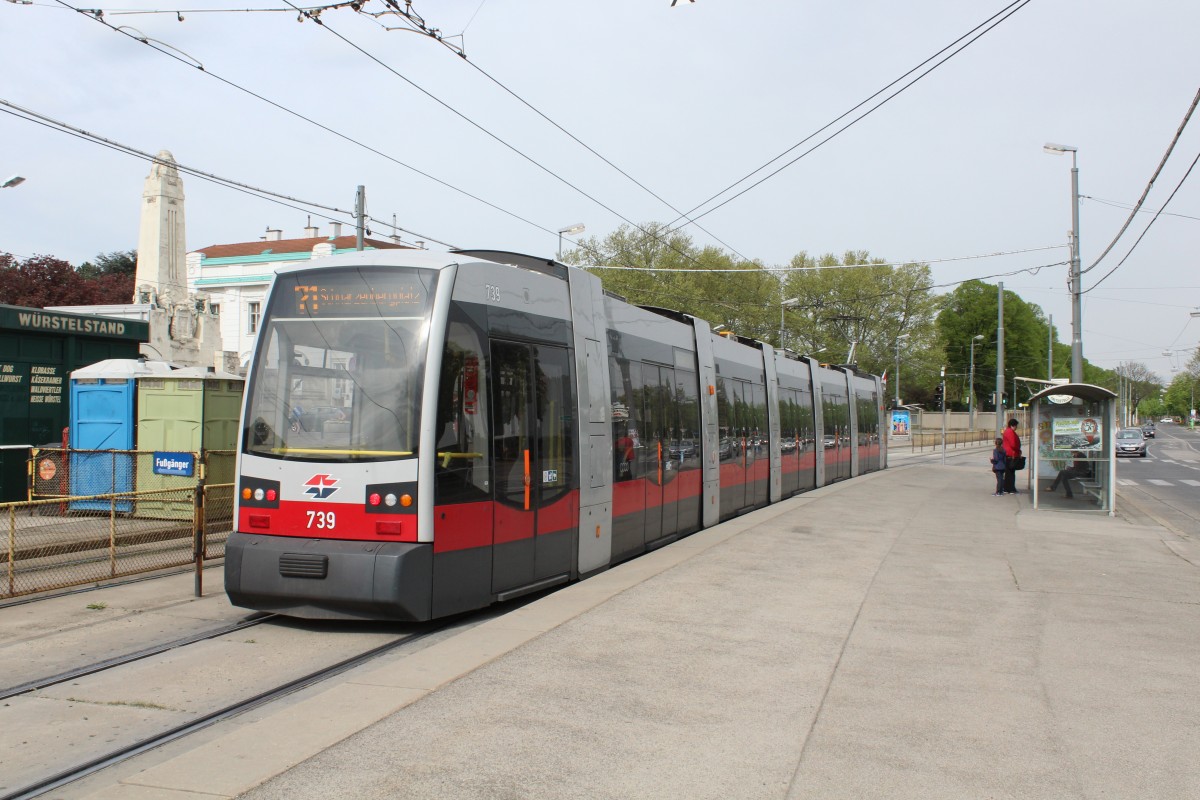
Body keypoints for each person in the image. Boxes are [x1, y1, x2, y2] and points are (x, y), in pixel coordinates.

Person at [1002, 418, 1021, 494]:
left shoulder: (1007, 431)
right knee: (1011, 473)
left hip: (1008, 454)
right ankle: (1010, 488)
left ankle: (1007, 488)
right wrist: (1018, 450)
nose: (1016, 427)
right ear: (1013, 425)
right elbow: (1013, 444)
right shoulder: (1010, 432)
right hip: (1011, 454)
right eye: (1016, 426)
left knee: (1009, 472)